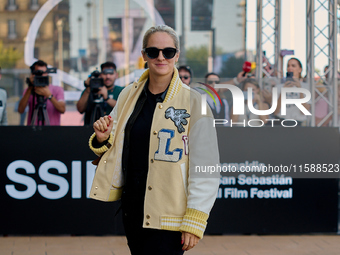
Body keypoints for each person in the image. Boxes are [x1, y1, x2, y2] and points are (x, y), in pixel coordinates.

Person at [88, 25, 220, 254]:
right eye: (153, 51)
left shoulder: (195, 102)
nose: (161, 57)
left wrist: (195, 220)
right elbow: (115, 146)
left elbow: (207, 167)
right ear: (144, 56)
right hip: (133, 208)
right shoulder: (128, 94)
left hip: (170, 213)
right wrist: (102, 139)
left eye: (168, 52)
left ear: (177, 55)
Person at [18, 60, 65, 125]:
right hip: (34, 132)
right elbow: (21, 110)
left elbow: (62, 109)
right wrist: (30, 87)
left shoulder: (57, 89)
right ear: (33, 74)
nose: (42, 75)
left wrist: (49, 95)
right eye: (39, 73)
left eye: (44, 72)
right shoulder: (28, 91)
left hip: (52, 132)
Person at [274, 58, 311, 126]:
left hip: (298, 123)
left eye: (293, 66)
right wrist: (283, 91)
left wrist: (300, 89)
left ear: (300, 69)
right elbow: (275, 111)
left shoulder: (306, 87)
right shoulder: (279, 87)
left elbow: (304, 111)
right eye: (288, 66)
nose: (290, 68)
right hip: (281, 122)